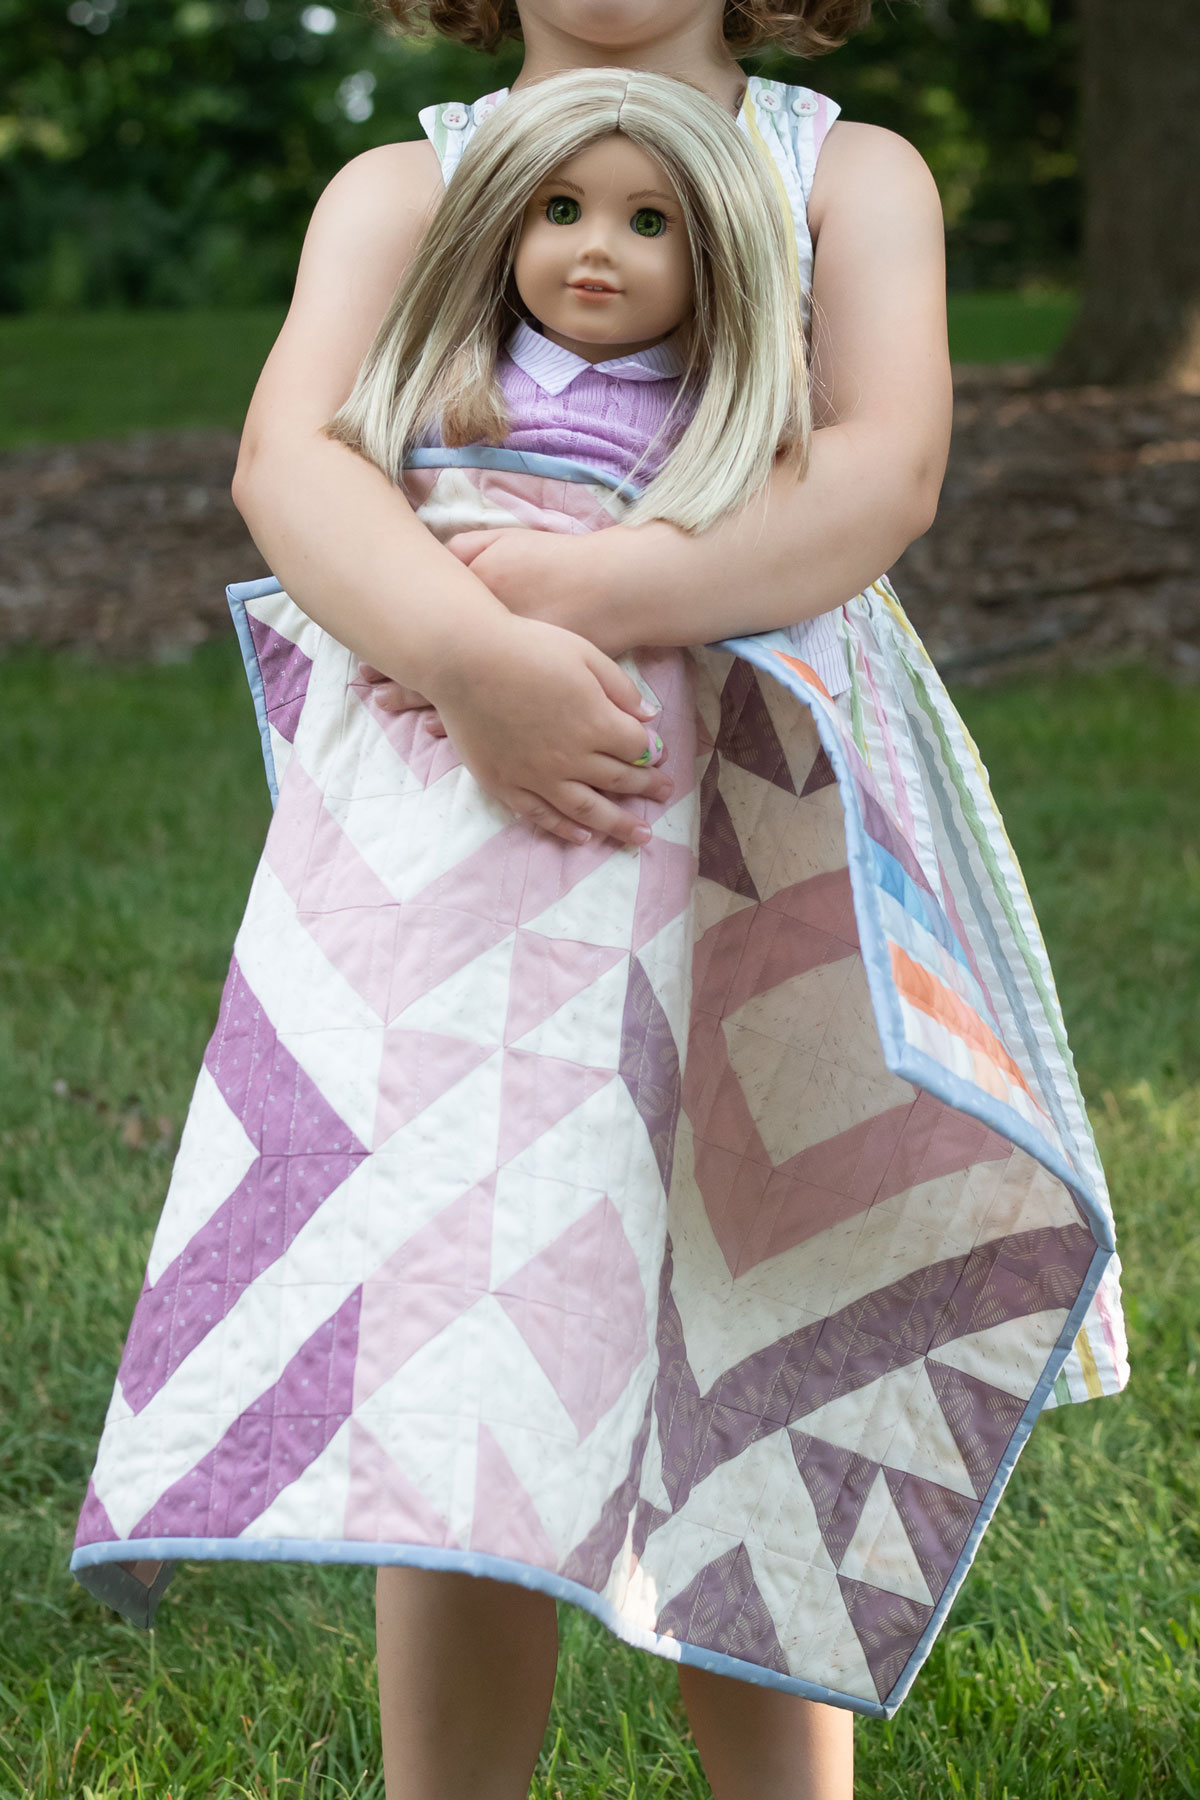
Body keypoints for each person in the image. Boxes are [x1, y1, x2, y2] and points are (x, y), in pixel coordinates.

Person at [70, 9, 1128, 1800]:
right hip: (476, 868)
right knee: (464, 1325)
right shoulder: (410, 181)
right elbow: (297, 461)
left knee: (749, 1308)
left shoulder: (842, 174)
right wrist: (474, 653)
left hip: (754, 844)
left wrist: (592, 586)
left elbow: (883, 465)